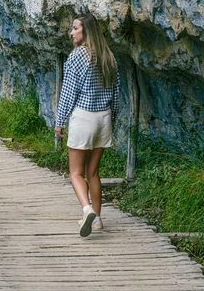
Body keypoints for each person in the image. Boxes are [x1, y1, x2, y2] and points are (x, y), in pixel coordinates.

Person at [54, 13, 119, 238]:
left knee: (75, 173)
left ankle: (87, 209)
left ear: (86, 31)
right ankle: (98, 219)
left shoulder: (78, 56)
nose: (71, 33)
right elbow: (116, 95)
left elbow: (69, 93)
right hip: (104, 118)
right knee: (93, 172)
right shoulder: (109, 57)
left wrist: (59, 121)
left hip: (84, 117)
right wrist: (114, 121)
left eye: (75, 28)